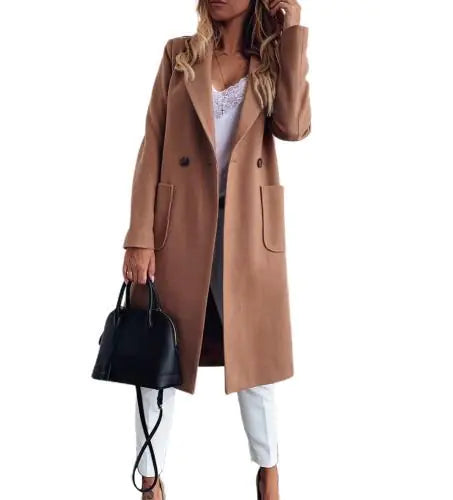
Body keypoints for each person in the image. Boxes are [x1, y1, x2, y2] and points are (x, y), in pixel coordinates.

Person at [122, 0, 311, 498]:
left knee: (256, 358)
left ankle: (268, 471)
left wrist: (292, 34)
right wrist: (139, 234)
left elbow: (293, 126)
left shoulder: (270, 63)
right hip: (178, 226)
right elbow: (152, 144)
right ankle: (150, 479)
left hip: (248, 229)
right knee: (155, 351)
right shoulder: (179, 54)